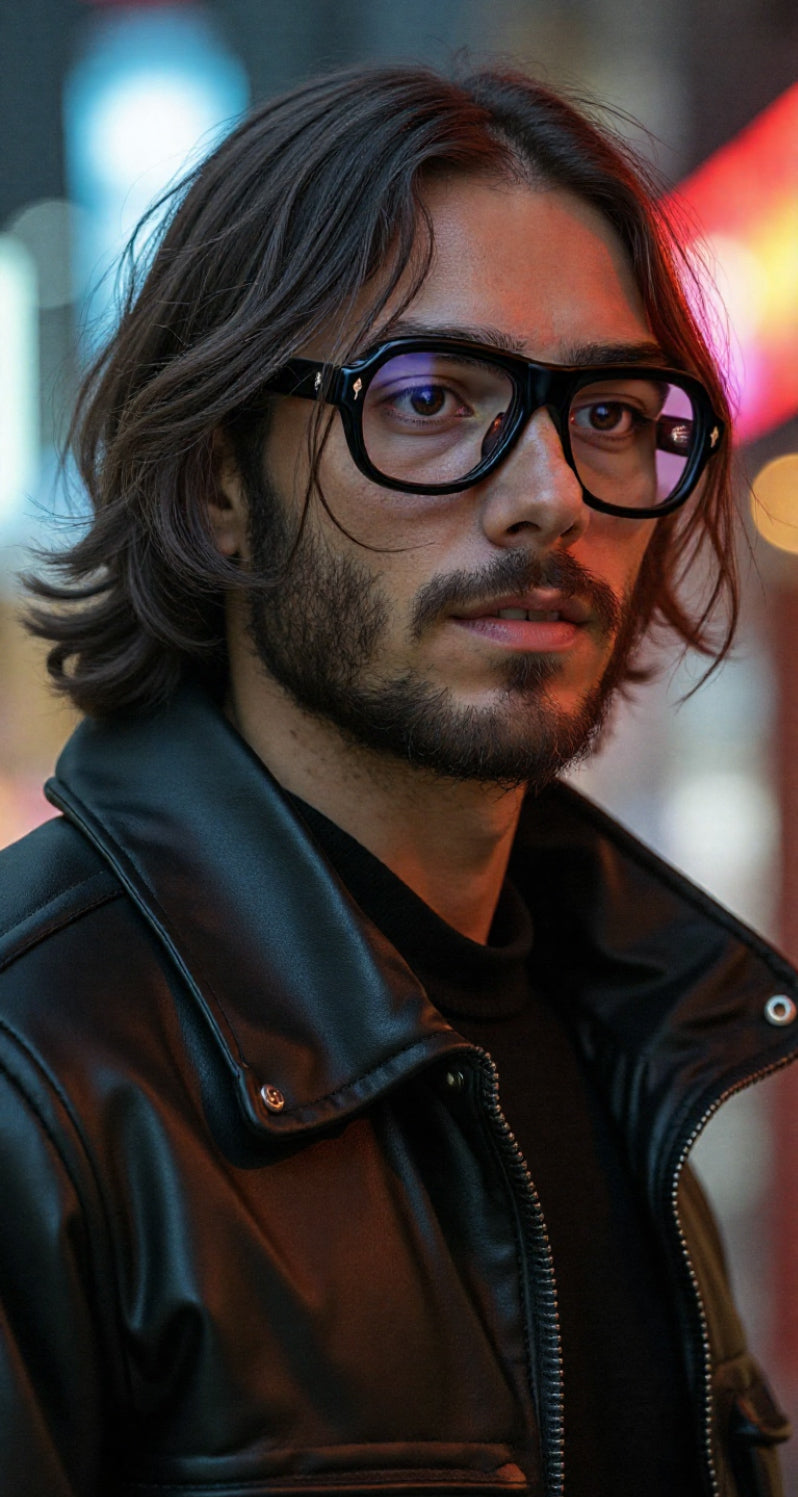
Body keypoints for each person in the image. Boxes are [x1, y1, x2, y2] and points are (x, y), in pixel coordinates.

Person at [0, 61, 795, 1497]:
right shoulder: (36, 1076)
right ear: (219, 478)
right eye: (430, 396)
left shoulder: (637, 1035)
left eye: (609, 410)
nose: (548, 490)